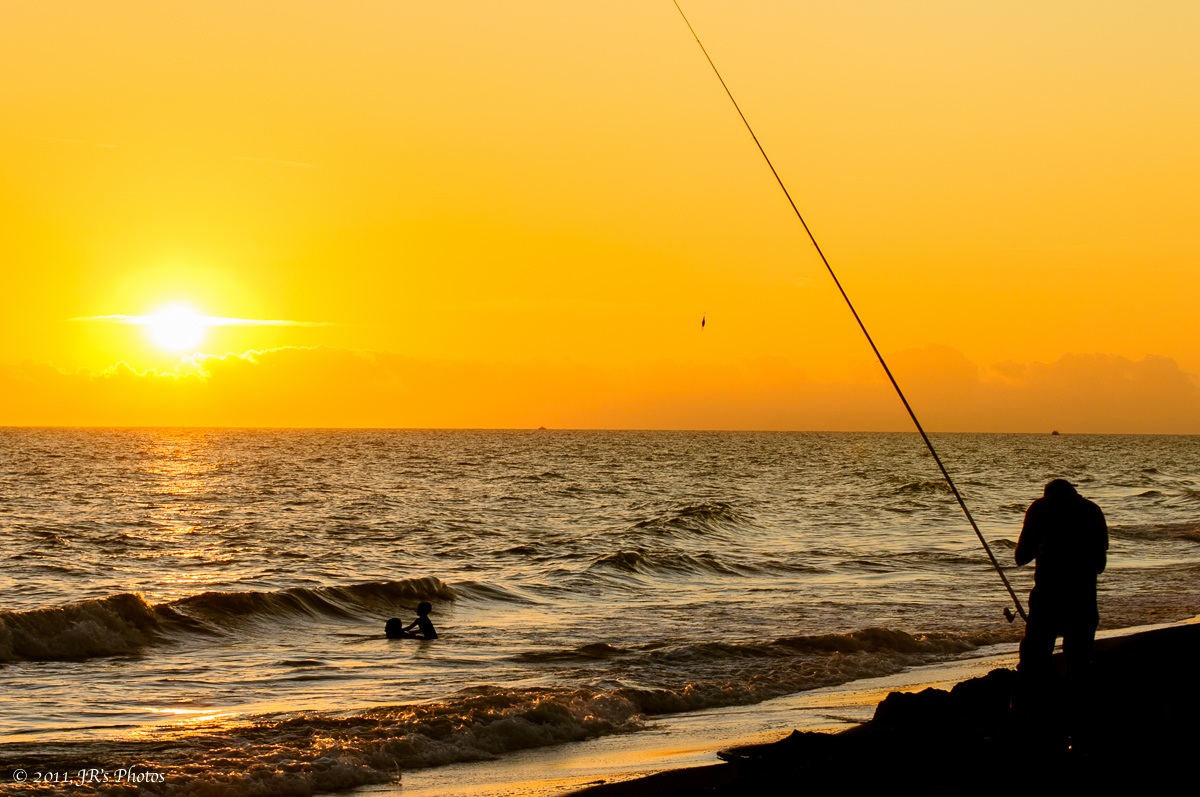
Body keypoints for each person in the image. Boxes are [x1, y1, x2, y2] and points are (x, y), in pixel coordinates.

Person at [1015, 479, 1108, 678]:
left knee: (1034, 660)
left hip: (1048, 596)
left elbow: (1021, 557)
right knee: (1080, 663)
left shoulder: (1040, 507)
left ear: (1047, 494)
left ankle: (1029, 703)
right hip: (1083, 598)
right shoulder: (1092, 510)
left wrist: (1043, 548)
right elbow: (1100, 564)